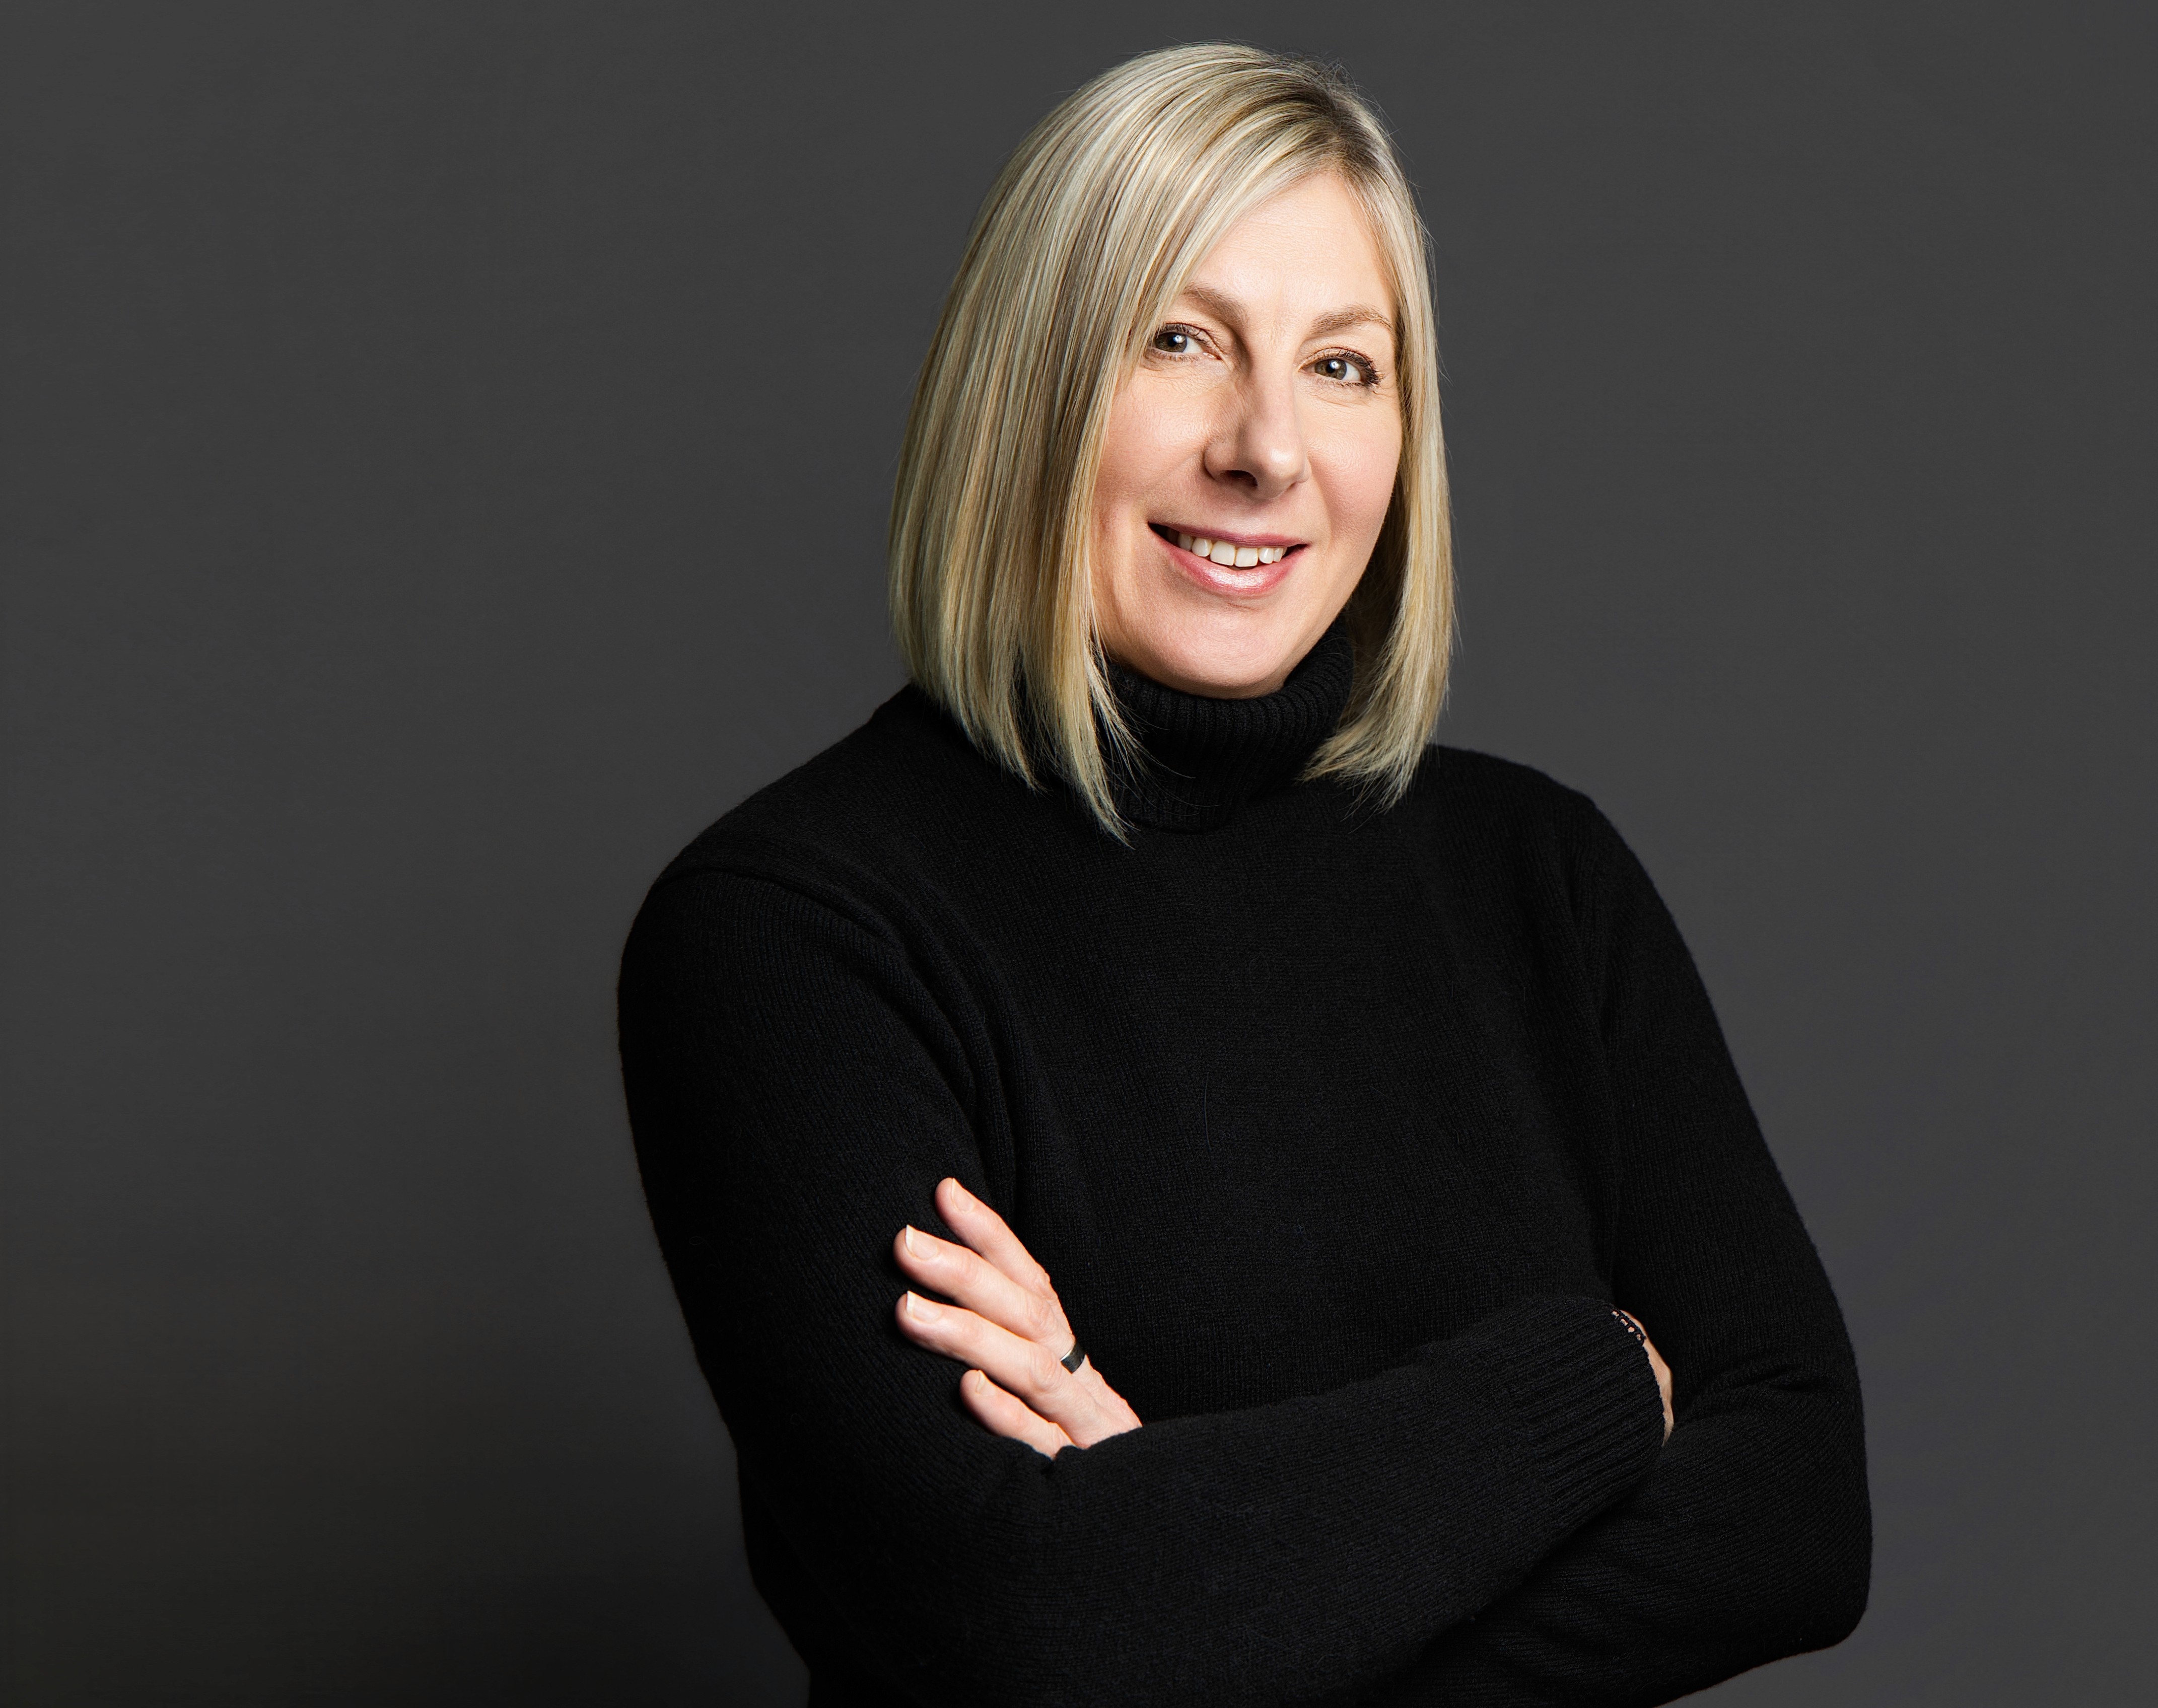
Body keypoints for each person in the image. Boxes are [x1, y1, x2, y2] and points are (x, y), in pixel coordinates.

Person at [617, 41, 1868, 1707]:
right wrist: (1596, 1381)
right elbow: (1028, 1630)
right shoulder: (792, 935)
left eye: (1343, 366)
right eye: (1181, 341)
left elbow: (1801, 1512)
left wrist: (1197, 1567)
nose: (1268, 449)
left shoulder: (1541, 877)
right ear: (1030, 388)